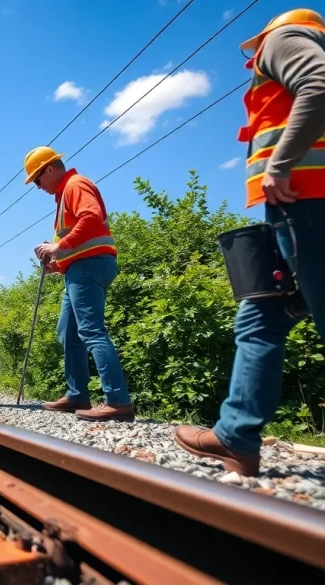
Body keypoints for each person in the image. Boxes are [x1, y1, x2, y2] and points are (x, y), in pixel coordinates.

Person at [175, 9, 325, 476]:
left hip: (307, 196)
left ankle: (236, 434)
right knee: (262, 310)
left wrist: (281, 161)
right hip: (294, 203)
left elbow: (318, 85)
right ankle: (236, 435)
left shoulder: (284, 38)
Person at [25, 146, 134, 422]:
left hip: (90, 266)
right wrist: (58, 263)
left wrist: (59, 246)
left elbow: (91, 218)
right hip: (79, 267)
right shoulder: (64, 194)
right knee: (69, 332)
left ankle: (118, 401)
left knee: (91, 330)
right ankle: (77, 395)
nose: (38, 187)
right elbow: (81, 238)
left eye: (37, 180)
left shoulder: (75, 185)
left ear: (49, 169)